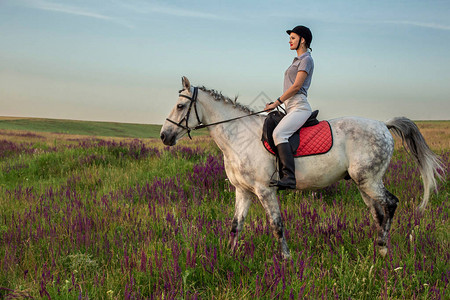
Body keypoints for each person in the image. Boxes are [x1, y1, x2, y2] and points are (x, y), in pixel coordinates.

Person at [265, 25, 314, 190]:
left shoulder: (306, 59)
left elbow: (295, 87)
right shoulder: (296, 61)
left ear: (303, 40)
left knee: (279, 133)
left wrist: (276, 103)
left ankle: (289, 178)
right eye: (290, 38)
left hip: (299, 106)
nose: (290, 41)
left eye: (293, 38)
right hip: (290, 106)